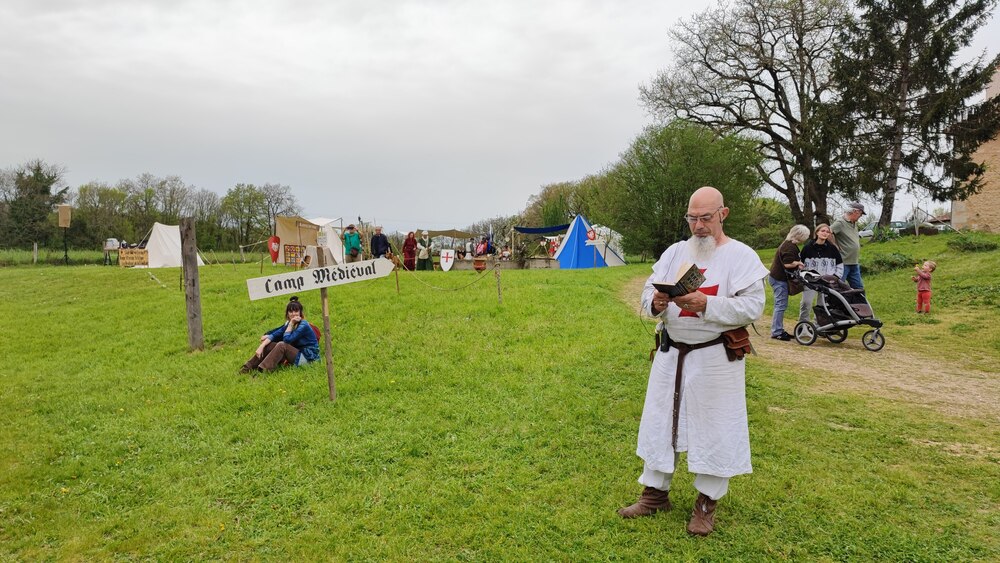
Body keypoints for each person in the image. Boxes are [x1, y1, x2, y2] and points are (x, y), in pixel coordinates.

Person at [619, 186, 768, 536]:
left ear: (723, 214)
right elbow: (646, 292)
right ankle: (655, 493)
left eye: (706, 218)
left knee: (715, 426)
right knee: (660, 421)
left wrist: (708, 306)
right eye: (692, 218)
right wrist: (654, 303)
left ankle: (705, 504)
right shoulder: (674, 253)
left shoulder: (741, 256)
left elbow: (753, 307)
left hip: (715, 357)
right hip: (671, 353)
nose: (698, 225)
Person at [240, 296, 320, 374]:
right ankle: (247, 368)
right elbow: (274, 335)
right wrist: (261, 346)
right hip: (299, 353)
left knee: (282, 345)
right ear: (287, 313)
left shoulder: (303, 325)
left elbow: (287, 340)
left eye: (296, 311)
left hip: (309, 359)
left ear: (300, 312)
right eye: (290, 311)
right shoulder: (290, 324)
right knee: (270, 345)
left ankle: (263, 370)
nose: (293, 314)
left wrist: (291, 324)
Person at [768, 225, 810, 340]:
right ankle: (777, 332)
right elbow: (787, 264)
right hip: (778, 279)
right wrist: (797, 263)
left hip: (779, 278)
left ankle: (778, 329)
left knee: (781, 304)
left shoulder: (790, 245)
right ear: (800, 235)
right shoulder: (789, 247)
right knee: (780, 305)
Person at [797, 224, 844, 323]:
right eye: (823, 231)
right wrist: (804, 276)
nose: (825, 233)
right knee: (806, 302)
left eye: (827, 232)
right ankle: (803, 324)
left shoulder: (833, 248)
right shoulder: (807, 248)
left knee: (823, 304)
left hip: (827, 281)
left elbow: (839, 265)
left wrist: (835, 277)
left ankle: (819, 324)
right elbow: (801, 264)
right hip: (811, 281)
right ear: (817, 232)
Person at [831, 202, 865, 289]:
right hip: (843, 262)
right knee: (838, 287)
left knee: (859, 288)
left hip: (854, 262)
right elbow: (828, 232)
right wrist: (834, 245)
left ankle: (859, 303)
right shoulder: (840, 223)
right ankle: (832, 303)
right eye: (861, 213)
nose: (860, 216)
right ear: (855, 211)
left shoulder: (854, 223)